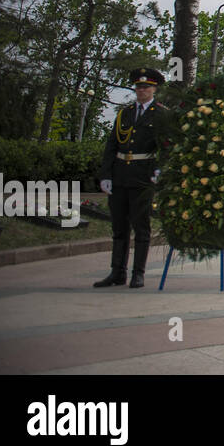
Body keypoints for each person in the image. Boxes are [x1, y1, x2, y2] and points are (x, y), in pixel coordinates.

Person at [94, 67, 168, 289]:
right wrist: (106, 174)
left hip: (143, 177)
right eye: (138, 87)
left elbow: (166, 146)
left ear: (154, 89)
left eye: (146, 87)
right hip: (120, 176)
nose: (141, 90)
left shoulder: (162, 114)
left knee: (141, 227)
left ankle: (138, 273)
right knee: (119, 228)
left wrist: (159, 169)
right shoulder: (124, 113)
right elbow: (111, 145)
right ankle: (117, 272)